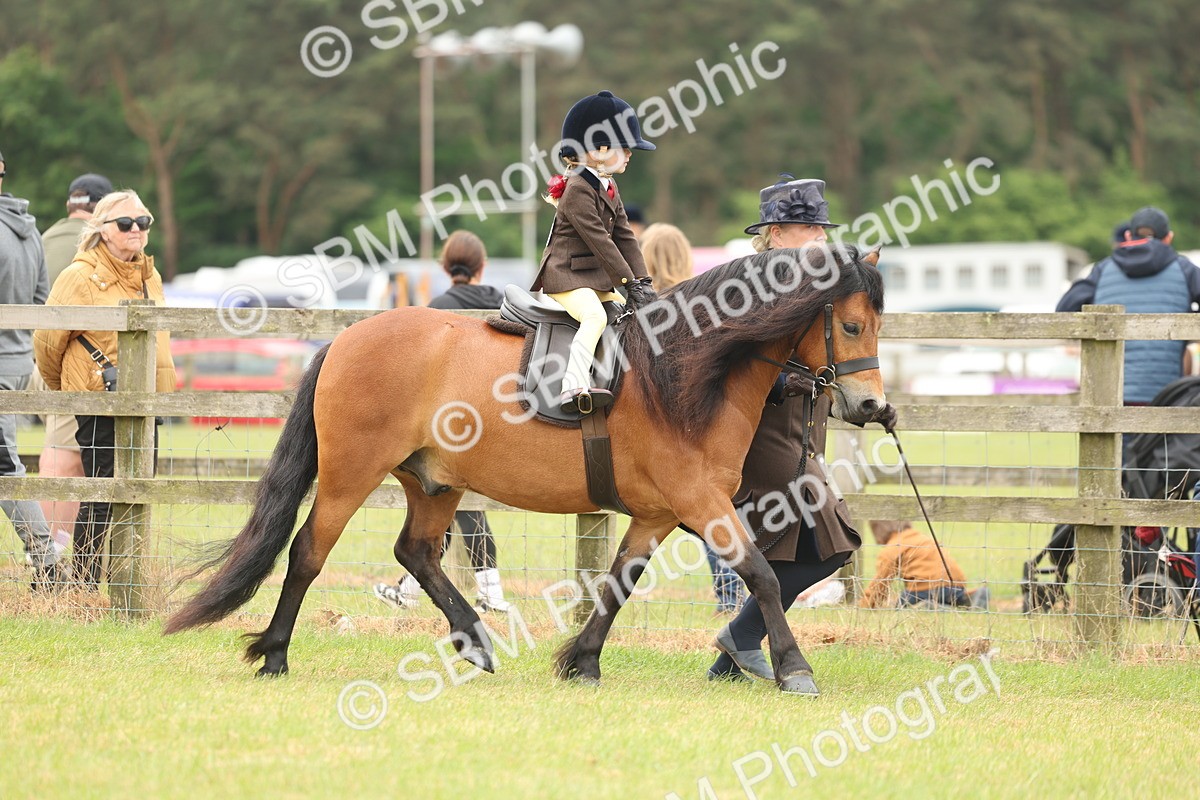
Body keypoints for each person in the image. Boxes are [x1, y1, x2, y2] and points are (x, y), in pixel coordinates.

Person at [706, 175, 895, 689]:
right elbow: (732, 361)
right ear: (773, 231)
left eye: (820, 226)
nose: (817, 235)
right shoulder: (750, 285)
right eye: (806, 226)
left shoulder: (811, 285)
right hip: (760, 430)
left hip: (803, 431)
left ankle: (731, 656)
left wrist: (869, 406)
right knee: (832, 543)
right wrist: (785, 379)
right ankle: (742, 639)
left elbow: (830, 358)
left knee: (800, 551)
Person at [34, 190, 176, 591]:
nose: (136, 230)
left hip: (146, 397)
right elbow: (47, 343)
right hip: (98, 399)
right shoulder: (78, 276)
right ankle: (84, 583)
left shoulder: (149, 274)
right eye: (125, 223)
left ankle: (128, 583)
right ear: (102, 229)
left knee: (138, 488)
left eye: (143, 222)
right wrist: (72, 391)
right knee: (100, 490)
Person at [373, 230, 513, 613]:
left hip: (450, 417)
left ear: (444, 266)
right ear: (482, 266)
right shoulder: (502, 301)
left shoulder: (439, 308)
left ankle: (490, 592)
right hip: (495, 410)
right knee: (447, 506)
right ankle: (414, 589)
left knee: (454, 500)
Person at [531, 90, 658, 415]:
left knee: (627, 316)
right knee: (595, 317)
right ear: (599, 150)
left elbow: (626, 237)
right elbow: (601, 240)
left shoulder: (608, 186)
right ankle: (572, 385)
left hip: (594, 279)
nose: (630, 154)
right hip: (566, 277)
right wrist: (629, 282)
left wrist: (644, 281)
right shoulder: (576, 190)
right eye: (624, 147)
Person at [641, 222, 746, 614]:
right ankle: (730, 594)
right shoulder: (700, 307)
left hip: (652, 432)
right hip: (700, 429)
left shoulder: (642, 309)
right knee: (712, 514)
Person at [32, 173, 112, 548]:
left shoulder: (42, 237)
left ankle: (54, 551)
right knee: (65, 458)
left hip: (39, 357)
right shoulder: (94, 246)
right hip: (72, 363)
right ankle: (52, 555)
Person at [1056, 206, 1200, 405]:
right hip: (1167, 398)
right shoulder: (1185, 270)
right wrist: (1188, 316)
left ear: (1127, 236)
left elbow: (1063, 310)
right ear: (1168, 238)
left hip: (1110, 398)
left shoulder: (1103, 269)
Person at [0, 147, 64, 589]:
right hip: (18, 357)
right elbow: (42, 300)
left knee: (5, 465)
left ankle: (46, 559)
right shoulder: (28, 229)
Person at [858, 520, 988, 609]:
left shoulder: (892, 547)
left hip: (924, 588)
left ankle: (927, 607)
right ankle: (967, 598)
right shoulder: (923, 538)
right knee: (948, 596)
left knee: (902, 604)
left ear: (877, 530)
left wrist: (866, 604)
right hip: (955, 586)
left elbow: (881, 582)